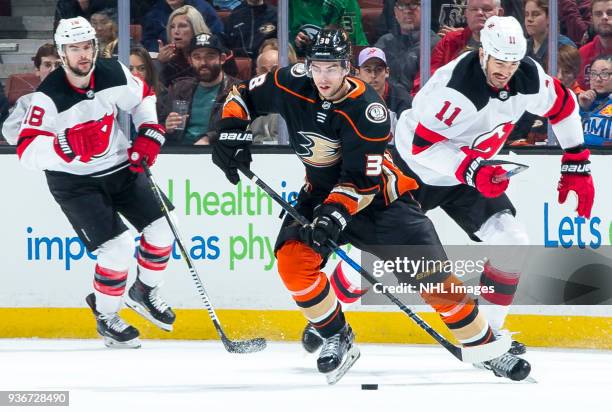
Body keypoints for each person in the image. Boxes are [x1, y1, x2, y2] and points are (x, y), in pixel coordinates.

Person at [211, 28, 532, 381]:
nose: (324, 77)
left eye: (333, 68)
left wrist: (333, 215)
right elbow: (241, 95)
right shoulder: (289, 81)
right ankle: (337, 336)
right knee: (292, 261)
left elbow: (360, 183)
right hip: (320, 194)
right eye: (318, 67)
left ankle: (486, 348)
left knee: (434, 281)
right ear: (308, 65)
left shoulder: (368, 111)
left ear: (347, 68)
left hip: (382, 202)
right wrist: (230, 131)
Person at [390, 16, 595, 352]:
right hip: (414, 171)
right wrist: (472, 169)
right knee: (374, 254)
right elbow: (421, 146)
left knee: (512, 240)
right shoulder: (456, 89)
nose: (505, 71)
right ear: (483, 53)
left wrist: (576, 161)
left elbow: (562, 105)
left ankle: (488, 335)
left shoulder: (526, 75)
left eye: (512, 63)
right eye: (499, 62)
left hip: (468, 172)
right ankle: (330, 322)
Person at [12, 17, 176, 348]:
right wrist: (64, 145)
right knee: (118, 249)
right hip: (74, 182)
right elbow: (27, 151)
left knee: (162, 230)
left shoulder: (113, 72)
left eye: (87, 46)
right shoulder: (48, 96)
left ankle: (143, 291)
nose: (83, 55)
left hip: (119, 167)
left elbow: (143, 95)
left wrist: (149, 132)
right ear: (62, 52)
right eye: (74, 48)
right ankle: (106, 315)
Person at [158, 32, 241, 145]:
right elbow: (157, 124)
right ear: (190, 61)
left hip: (217, 153)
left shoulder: (238, 90)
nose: (203, 62)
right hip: (178, 153)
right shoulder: (178, 88)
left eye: (210, 56)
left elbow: (239, 128)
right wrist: (165, 127)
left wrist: (209, 138)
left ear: (222, 59)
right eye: (197, 57)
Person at [374, 0, 440, 93]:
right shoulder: (384, 42)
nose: (407, 11)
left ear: (426, 10)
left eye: (413, 4)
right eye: (401, 5)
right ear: (395, 12)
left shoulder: (436, 46)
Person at [2, 44, 61, 143]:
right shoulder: (26, 102)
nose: (53, 70)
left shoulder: (79, 99)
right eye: (47, 65)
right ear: (37, 70)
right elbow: (10, 133)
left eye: (59, 65)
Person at [356, 47, 412, 139]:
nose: (373, 75)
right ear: (358, 73)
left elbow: (407, 143)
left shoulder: (403, 101)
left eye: (378, 69)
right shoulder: (351, 99)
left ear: (387, 72)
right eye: (368, 70)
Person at [142, 0, 223, 53]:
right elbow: (148, 41)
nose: (176, 31)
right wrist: (160, 51)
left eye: (183, 26)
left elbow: (218, 37)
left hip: (199, 55)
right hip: (166, 60)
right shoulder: (154, 12)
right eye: (172, 27)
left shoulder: (204, 9)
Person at [578, 54, 612, 145]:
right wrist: (583, 108)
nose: (598, 79)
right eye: (593, 74)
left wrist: (593, 141)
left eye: (604, 74)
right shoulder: (581, 100)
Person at [578, 0, 612, 89]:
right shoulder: (583, 53)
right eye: (598, 14)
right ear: (591, 19)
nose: (604, 17)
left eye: (610, 13)